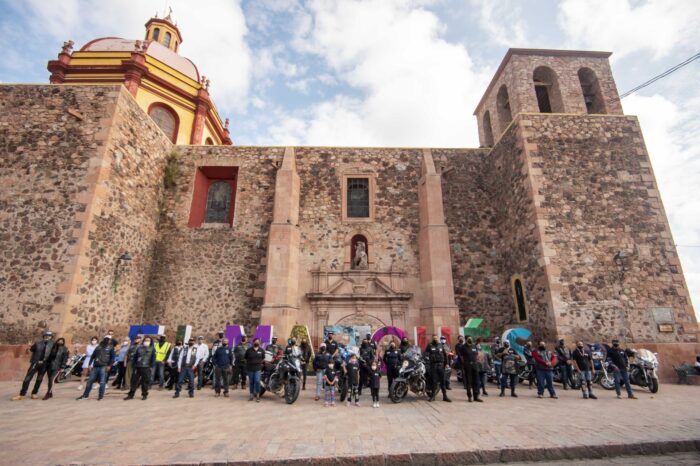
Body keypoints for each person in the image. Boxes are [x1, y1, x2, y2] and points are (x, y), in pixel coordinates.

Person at [12, 331, 55, 401]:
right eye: (46, 336)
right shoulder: (37, 343)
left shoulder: (53, 345)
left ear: (51, 337)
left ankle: (34, 393)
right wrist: (28, 348)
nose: (47, 337)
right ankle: (22, 394)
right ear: (43, 336)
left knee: (39, 379)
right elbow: (31, 350)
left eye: (49, 336)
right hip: (35, 363)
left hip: (44, 364)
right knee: (27, 378)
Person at [77, 336, 115, 400]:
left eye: (108, 340)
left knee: (102, 382)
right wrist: (89, 364)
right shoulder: (98, 347)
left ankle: (100, 396)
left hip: (104, 366)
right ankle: (85, 395)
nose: (107, 341)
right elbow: (93, 356)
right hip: (95, 366)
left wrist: (109, 365)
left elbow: (112, 358)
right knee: (90, 381)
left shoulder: (111, 348)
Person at [124, 335, 156, 400]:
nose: (147, 342)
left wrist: (151, 367)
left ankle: (144, 395)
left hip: (146, 367)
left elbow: (153, 359)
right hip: (137, 366)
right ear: (143, 341)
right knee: (134, 381)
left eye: (148, 340)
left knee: (145, 382)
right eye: (146, 340)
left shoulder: (152, 349)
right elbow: (135, 357)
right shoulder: (139, 347)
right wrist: (134, 365)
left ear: (151, 342)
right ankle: (131, 395)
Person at [425, 334, 451, 402]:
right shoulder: (429, 345)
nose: (435, 339)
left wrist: (446, 364)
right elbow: (425, 354)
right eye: (434, 338)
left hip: (441, 366)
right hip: (433, 366)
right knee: (434, 381)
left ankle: (445, 396)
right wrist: (427, 361)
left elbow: (445, 355)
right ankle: (433, 396)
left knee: (442, 381)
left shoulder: (440, 345)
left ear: (437, 338)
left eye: (436, 338)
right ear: (432, 338)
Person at [458, 337, 482, 402]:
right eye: (469, 339)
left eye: (471, 339)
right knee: (468, 381)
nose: (470, 340)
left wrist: (476, 361)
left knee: (476, 381)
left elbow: (477, 354)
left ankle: (476, 396)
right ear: (466, 340)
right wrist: (465, 363)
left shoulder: (474, 346)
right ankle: (469, 396)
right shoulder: (463, 347)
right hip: (467, 365)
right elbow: (461, 357)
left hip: (474, 365)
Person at [245, 337, 265, 402]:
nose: (257, 342)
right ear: (253, 342)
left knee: (257, 381)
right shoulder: (249, 350)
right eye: (255, 341)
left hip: (258, 368)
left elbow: (263, 358)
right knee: (251, 382)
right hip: (250, 368)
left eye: (258, 341)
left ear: (259, 343)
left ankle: (258, 395)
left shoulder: (261, 350)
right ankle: (251, 395)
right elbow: (245, 358)